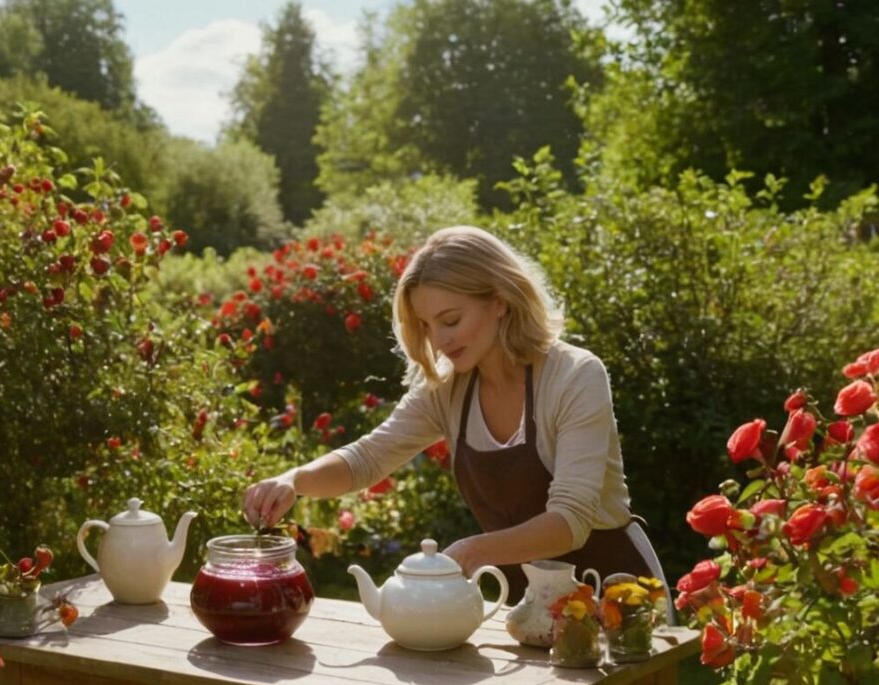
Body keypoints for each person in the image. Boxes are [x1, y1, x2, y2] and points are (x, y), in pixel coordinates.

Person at [243, 225, 669, 606]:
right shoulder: (447, 390)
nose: (439, 340)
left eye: (450, 320)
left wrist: (473, 551)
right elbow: (367, 459)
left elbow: (570, 522)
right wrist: (294, 481)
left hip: (621, 600)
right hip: (530, 609)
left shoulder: (575, 376)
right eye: (427, 326)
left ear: (499, 301)